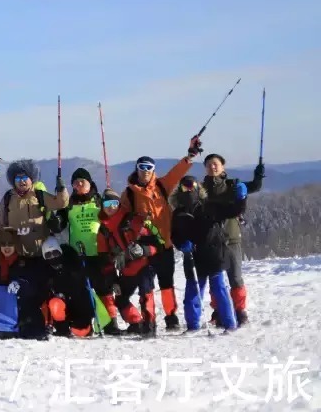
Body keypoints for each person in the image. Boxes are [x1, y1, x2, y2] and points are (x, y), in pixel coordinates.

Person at [118, 135, 202, 331]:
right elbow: (121, 218)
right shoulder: (129, 193)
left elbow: (177, 172)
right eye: (142, 167)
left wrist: (190, 155)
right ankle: (149, 321)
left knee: (167, 283)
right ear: (137, 169)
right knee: (146, 284)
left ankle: (171, 318)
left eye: (149, 167)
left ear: (153, 170)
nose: (145, 171)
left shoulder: (162, 186)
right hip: (145, 246)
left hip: (165, 244)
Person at [172, 175, 247, 331]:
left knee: (219, 290)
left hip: (214, 255)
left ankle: (230, 324)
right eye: (185, 187)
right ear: (180, 189)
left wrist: (241, 198)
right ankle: (193, 326)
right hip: (193, 257)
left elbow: (234, 211)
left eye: (191, 186)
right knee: (193, 293)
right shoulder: (178, 213)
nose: (189, 190)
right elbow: (174, 235)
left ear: (198, 188)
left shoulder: (210, 206)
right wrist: (181, 244)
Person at [200, 153, 263, 325]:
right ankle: (219, 311)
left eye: (216, 164)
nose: (212, 167)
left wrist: (258, 175)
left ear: (223, 167)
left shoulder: (233, 186)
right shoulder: (201, 189)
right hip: (211, 241)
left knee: (235, 277)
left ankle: (240, 311)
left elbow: (255, 186)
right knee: (216, 280)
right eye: (209, 165)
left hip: (231, 237)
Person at [97, 189, 162, 336]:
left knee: (145, 293)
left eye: (114, 203)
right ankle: (136, 323)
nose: (110, 207)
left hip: (145, 265)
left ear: (119, 204)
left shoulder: (133, 220)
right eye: (106, 203)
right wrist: (113, 280)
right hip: (128, 269)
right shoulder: (104, 230)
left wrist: (143, 250)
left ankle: (149, 326)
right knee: (120, 298)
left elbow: (157, 245)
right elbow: (105, 258)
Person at [0, 159, 69, 261]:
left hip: (40, 253)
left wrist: (61, 189)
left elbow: (61, 203)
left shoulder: (39, 195)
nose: (21, 181)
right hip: (17, 256)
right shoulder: (8, 198)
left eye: (25, 177)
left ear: (32, 179)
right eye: (18, 178)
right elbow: (0, 223)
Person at [41, 238, 95, 338]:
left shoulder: (73, 263)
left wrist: (84, 266)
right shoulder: (46, 271)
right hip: (62, 304)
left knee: (81, 332)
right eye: (48, 255)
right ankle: (62, 329)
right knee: (54, 303)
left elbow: (88, 279)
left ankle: (84, 327)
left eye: (55, 253)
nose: (53, 256)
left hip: (79, 303)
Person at [63, 168, 103, 296]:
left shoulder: (99, 201)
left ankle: (109, 315)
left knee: (102, 290)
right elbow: (60, 223)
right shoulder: (69, 204)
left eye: (82, 181)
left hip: (99, 253)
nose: (79, 184)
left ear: (90, 183)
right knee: (82, 292)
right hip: (78, 255)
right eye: (76, 182)